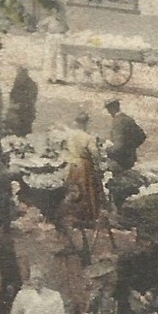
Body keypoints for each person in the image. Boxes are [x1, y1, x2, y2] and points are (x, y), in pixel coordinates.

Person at [59, 110, 104, 259]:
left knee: (73, 190)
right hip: (84, 166)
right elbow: (95, 155)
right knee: (86, 190)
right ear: (86, 123)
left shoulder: (70, 135)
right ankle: (86, 215)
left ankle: (73, 213)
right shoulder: (88, 138)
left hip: (73, 165)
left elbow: (64, 147)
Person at [103, 98, 146, 172]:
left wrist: (107, 150)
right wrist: (131, 147)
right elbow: (142, 136)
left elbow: (118, 146)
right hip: (130, 158)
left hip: (120, 160)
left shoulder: (118, 122)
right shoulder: (127, 119)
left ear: (111, 109)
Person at [2, 66, 39, 137]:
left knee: (25, 131)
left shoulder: (31, 85)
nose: (18, 75)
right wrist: (12, 104)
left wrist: (19, 105)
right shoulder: (17, 82)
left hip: (26, 112)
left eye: (19, 73)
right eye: (18, 73)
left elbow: (30, 99)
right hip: (16, 112)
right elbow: (12, 94)